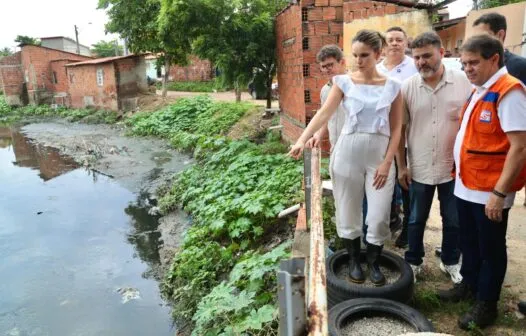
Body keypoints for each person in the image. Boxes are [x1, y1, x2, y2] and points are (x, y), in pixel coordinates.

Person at [289, 29, 403, 286]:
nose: (359, 61)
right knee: (347, 208)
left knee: (378, 214)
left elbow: (397, 128)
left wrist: (387, 163)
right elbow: (323, 114)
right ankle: (353, 259)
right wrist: (302, 139)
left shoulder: (394, 86)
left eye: (365, 55)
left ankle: (373, 262)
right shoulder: (343, 83)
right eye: (355, 55)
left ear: (378, 53)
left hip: (380, 156)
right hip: (348, 151)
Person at [437, 34, 526, 330]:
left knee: (491, 250)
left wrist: (499, 193)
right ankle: (469, 285)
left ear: (494, 59)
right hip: (467, 185)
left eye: (473, 62)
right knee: (469, 242)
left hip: (490, 190)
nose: (467, 69)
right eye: (463, 64)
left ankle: (487, 305)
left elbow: (520, 147)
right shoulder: (479, 90)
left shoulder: (509, 92)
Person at [398, 32, 471, 284]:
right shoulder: (407, 87)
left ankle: (450, 260)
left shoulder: (464, 83)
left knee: (453, 219)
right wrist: (401, 165)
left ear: (441, 52)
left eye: (426, 55)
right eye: (416, 57)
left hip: (454, 169)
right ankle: (414, 260)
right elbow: (399, 131)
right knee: (416, 219)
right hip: (418, 167)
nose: (421, 62)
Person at [472, 12, 526, 206]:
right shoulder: (475, 68)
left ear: (500, 35)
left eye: (482, 37)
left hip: (512, 149)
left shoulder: (519, 67)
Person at [375, 26, 419, 248]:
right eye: (390, 39)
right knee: (386, 179)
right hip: (383, 135)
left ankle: (410, 229)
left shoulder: (414, 67)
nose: (394, 43)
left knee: (406, 180)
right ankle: (392, 219)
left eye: (398, 39)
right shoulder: (377, 69)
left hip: (409, 132)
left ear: (405, 42)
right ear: (384, 45)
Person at [305, 45, 347, 150]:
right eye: (324, 66)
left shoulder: (355, 85)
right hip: (335, 146)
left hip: (354, 147)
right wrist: (318, 135)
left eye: (330, 65)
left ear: (342, 62)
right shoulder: (325, 90)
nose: (327, 69)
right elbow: (325, 116)